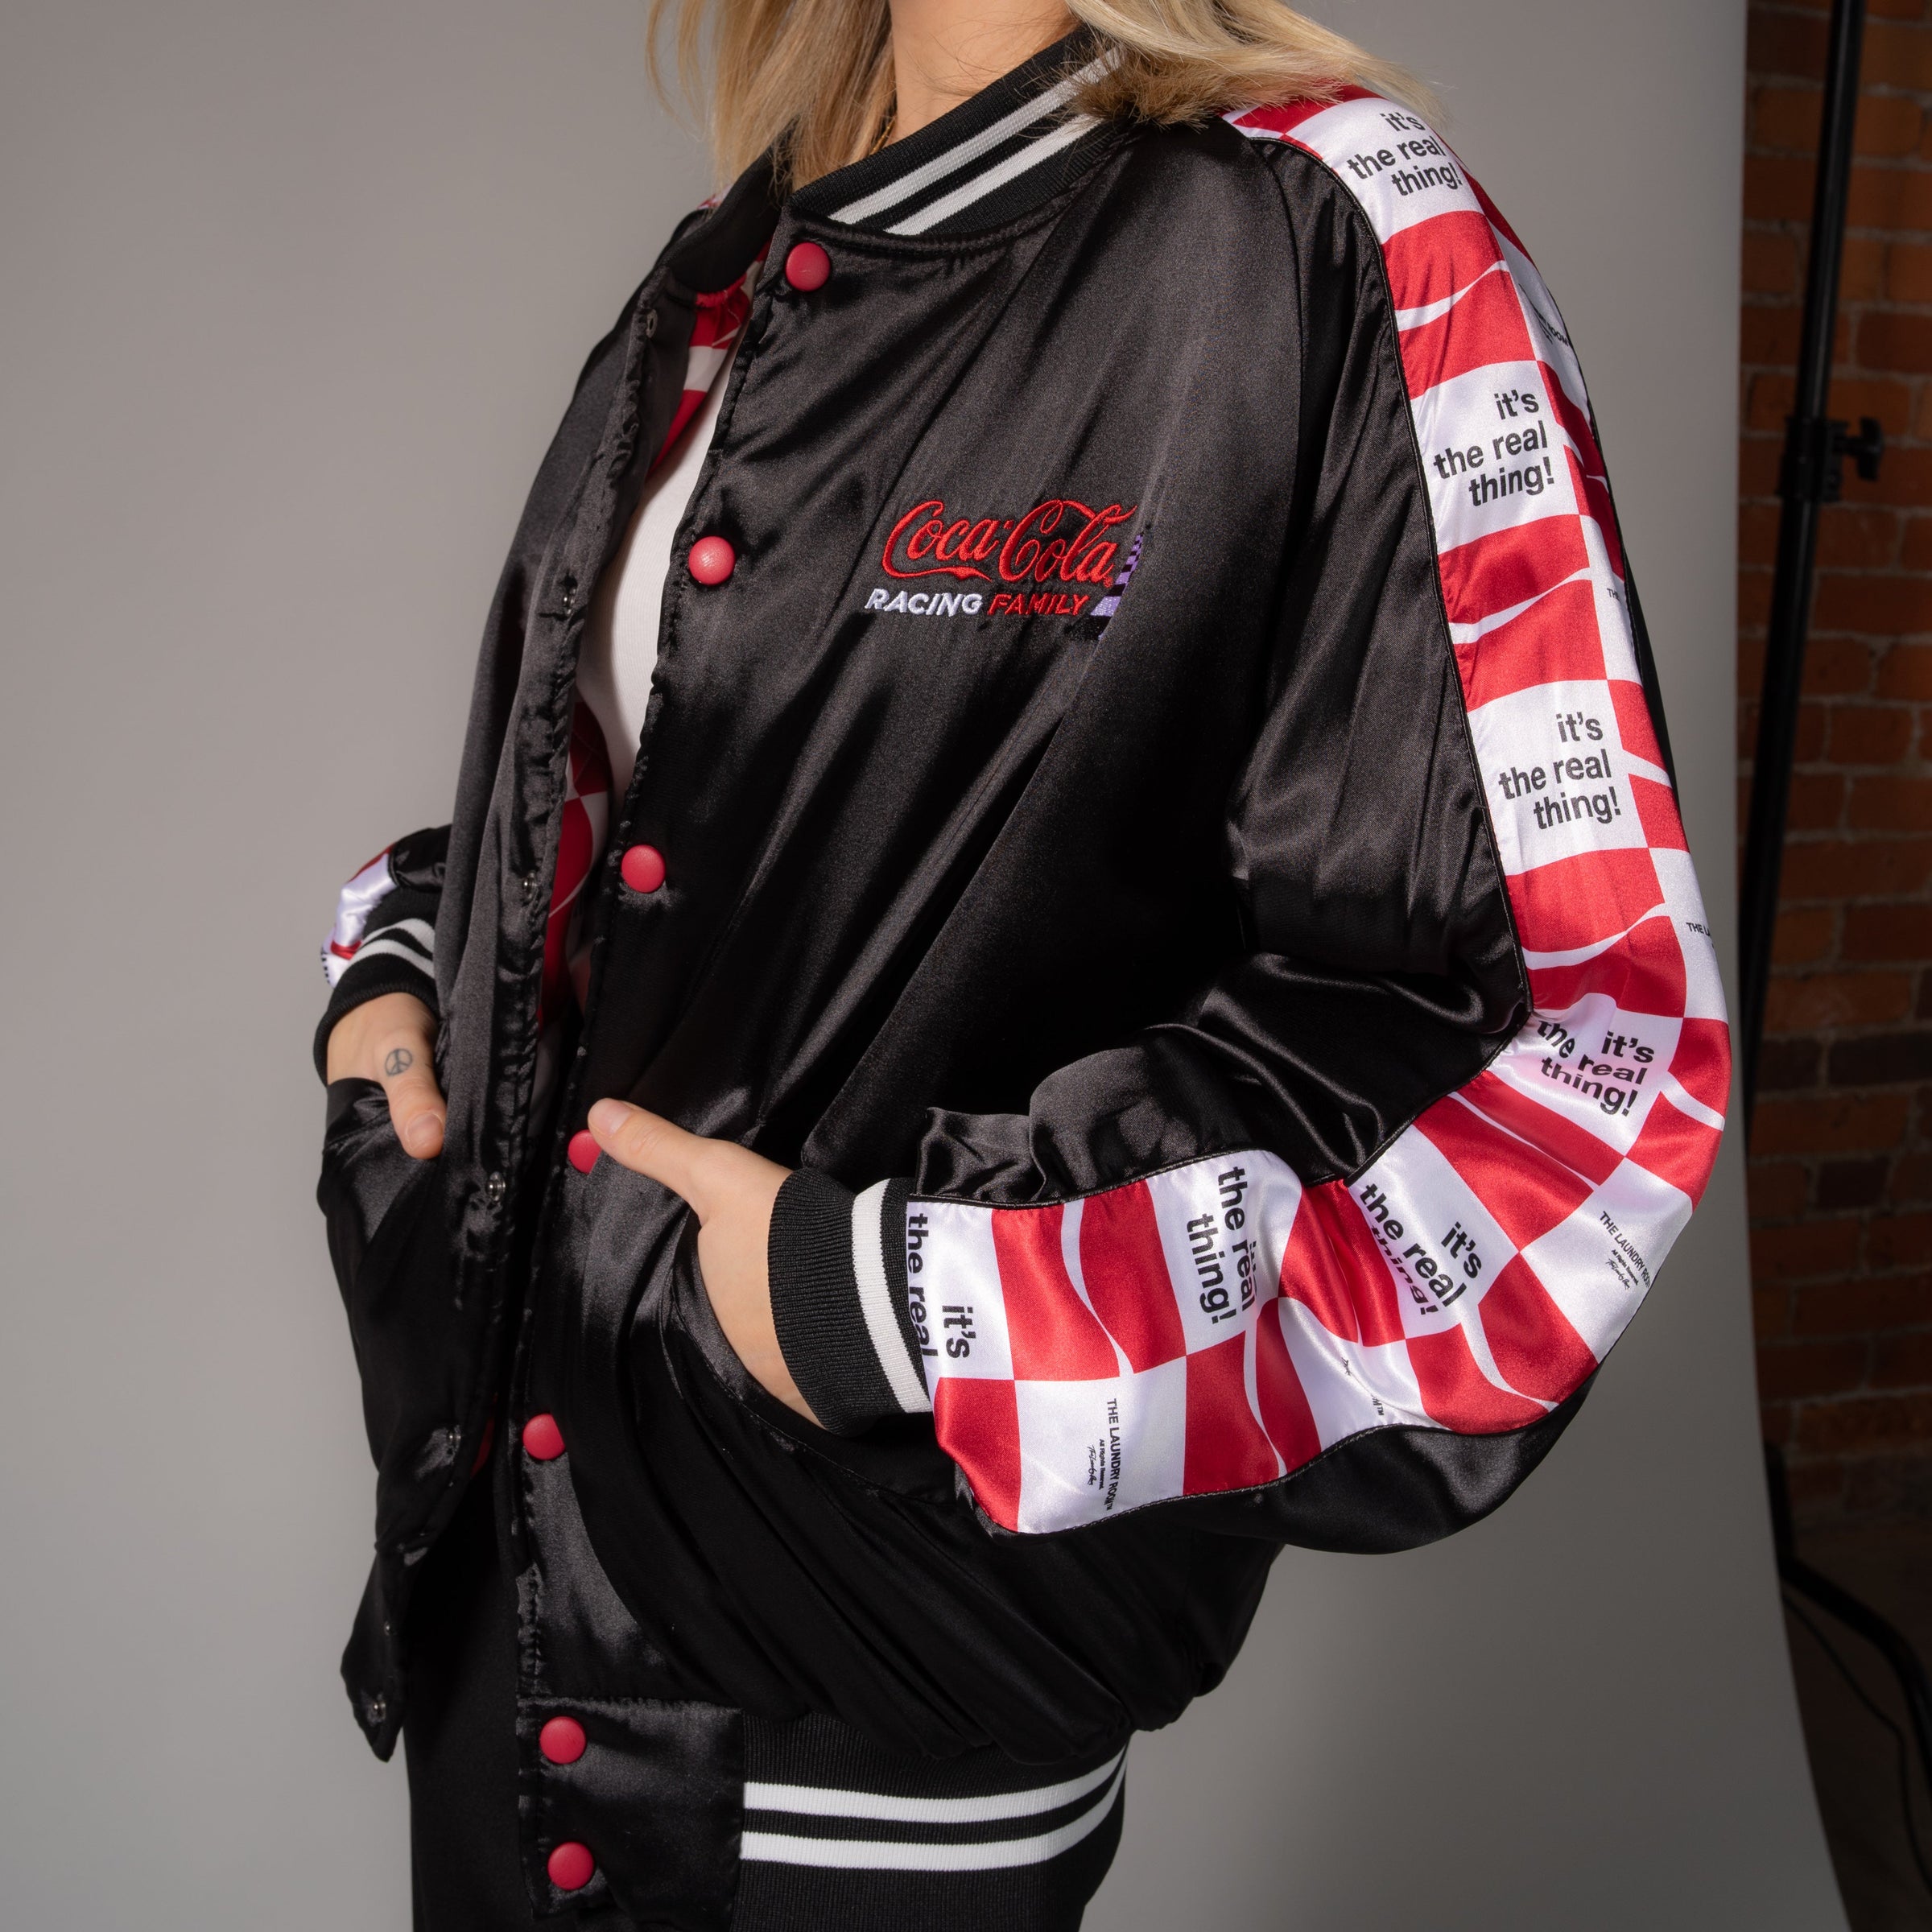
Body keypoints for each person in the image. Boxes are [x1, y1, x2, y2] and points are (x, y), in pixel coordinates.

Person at [314, 0, 1731, 1925]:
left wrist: (900, 1302)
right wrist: (396, 977)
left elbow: (1573, 1049)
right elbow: (639, 841)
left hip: (863, 1694)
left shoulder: (1328, 230)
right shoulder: (746, 255)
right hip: (497, 1622)